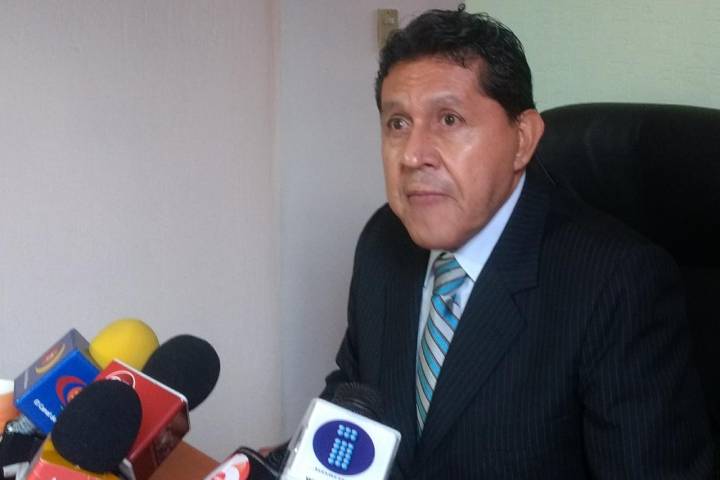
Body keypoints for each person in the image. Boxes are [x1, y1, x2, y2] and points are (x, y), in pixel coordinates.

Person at [320, 6, 715, 479]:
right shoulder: (384, 241)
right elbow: (353, 402)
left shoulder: (616, 285)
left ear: (523, 139)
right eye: (397, 124)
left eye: (449, 119)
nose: (413, 155)